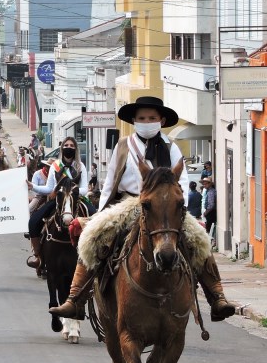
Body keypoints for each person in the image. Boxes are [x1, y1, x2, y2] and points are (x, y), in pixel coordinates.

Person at [49, 96, 236, 322]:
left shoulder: (171, 147)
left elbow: (183, 181)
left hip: (166, 208)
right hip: (129, 203)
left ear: (161, 120)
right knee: (92, 236)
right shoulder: (123, 146)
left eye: (152, 118)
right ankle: (74, 298)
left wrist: (180, 208)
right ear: (135, 121)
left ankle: (216, 296)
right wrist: (100, 213)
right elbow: (110, 181)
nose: (147, 121)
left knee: (199, 239)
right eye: (142, 118)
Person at [25, 137, 88, 272]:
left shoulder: (80, 166)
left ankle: (95, 257)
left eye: (71, 145)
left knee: (96, 219)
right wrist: (33, 186)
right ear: (62, 148)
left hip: (77, 200)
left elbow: (85, 189)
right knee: (33, 221)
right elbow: (49, 189)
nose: (69, 147)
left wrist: (72, 192)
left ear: (75, 148)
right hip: (58, 200)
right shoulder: (55, 166)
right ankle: (38, 256)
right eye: (66, 145)